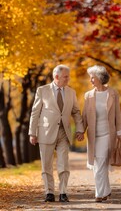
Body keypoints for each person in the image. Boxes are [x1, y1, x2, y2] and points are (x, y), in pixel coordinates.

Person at [28, 64, 84, 203]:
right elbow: (35, 113)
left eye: (69, 76)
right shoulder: (42, 90)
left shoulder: (71, 92)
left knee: (63, 164)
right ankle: (49, 192)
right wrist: (32, 133)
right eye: (66, 77)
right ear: (57, 76)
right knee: (46, 165)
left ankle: (63, 192)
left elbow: (76, 112)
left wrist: (79, 129)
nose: (68, 79)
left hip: (64, 132)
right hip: (46, 131)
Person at [82, 65, 121, 202]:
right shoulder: (88, 96)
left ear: (100, 78)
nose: (91, 80)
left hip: (108, 134)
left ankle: (99, 194)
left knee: (100, 163)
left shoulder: (112, 93)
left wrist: (119, 131)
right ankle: (106, 191)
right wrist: (80, 131)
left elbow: (118, 114)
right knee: (100, 164)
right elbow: (84, 116)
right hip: (94, 136)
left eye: (92, 77)